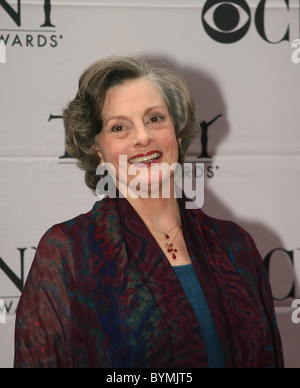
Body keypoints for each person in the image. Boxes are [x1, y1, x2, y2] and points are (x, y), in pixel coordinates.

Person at [14, 55, 284, 368]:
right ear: (97, 148)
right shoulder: (68, 251)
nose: (143, 137)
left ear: (178, 132)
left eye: (155, 118)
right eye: (119, 127)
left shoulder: (236, 245)